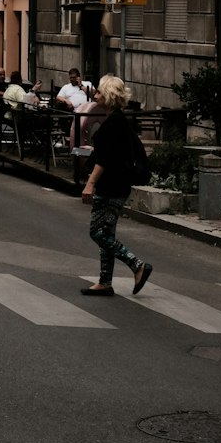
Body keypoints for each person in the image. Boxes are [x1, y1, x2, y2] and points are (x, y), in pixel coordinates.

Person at [79, 74, 153, 298]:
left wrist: (89, 184)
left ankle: (137, 265)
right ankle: (105, 282)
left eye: (100, 91)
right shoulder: (117, 120)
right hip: (116, 185)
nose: (96, 94)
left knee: (98, 232)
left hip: (111, 186)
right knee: (107, 234)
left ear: (109, 96)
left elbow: (106, 158)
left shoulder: (114, 122)